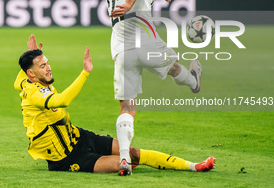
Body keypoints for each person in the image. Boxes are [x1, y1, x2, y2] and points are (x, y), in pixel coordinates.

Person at [14, 35, 215, 174]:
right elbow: (62, 101)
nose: (49, 68)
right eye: (43, 66)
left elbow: (24, 74)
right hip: (67, 158)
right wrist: (85, 73)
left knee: (131, 152)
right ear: (31, 74)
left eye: (48, 62)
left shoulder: (24, 79)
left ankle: (194, 166)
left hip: (79, 137)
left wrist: (32, 53)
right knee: (124, 162)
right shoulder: (32, 93)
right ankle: (120, 165)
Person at [105, 0, 203, 175]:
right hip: (147, 44)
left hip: (122, 50)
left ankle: (123, 159)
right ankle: (194, 82)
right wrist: (132, 2)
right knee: (175, 67)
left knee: (127, 108)